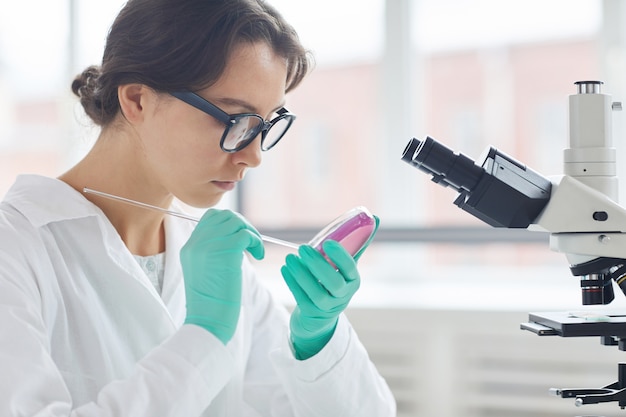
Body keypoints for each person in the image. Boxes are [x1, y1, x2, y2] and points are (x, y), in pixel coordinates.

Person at [0, 0, 396, 416]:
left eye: (264, 126)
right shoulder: (16, 248)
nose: (254, 156)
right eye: (234, 120)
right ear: (137, 100)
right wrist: (204, 335)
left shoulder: (219, 263)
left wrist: (315, 345)